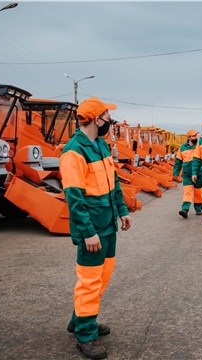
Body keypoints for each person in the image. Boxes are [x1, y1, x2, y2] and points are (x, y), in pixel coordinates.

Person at [60, 97, 132, 359]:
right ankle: (86, 335)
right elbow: (75, 198)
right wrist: (87, 231)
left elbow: (113, 182)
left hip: (108, 224)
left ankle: (79, 319)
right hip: (91, 229)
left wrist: (122, 210)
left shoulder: (100, 145)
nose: (109, 122)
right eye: (106, 117)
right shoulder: (73, 152)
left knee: (102, 277)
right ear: (94, 120)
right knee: (89, 282)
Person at [173, 130, 202, 218]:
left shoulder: (199, 146)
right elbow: (178, 160)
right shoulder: (182, 147)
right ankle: (185, 210)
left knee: (198, 192)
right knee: (187, 192)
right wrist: (176, 172)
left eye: (196, 136)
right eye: (193, 136)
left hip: (199, 173)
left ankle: (198, 209)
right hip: (187, 173)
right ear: (189, 137)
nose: (195, 137)